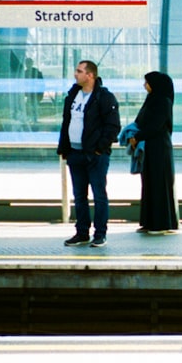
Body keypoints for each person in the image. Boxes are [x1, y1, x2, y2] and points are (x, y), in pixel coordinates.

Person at [57, 60, 121, 247]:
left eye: (79, 71)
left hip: (95, 155)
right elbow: (66, 122)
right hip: (75, 153)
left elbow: (113, 126)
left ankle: (100, 233)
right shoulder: (73, 95)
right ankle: (82, 232)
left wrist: (99, 148)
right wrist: (64, 148)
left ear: (90, 75)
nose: (75, 74)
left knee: (99, 194)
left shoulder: (104, 97)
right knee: (79, 195)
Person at [127, 71, 178, 234]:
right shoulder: (153, 100)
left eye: (147, 82)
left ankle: (161, 224)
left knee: (159, 184)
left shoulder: (163, 101)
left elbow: (156, 125)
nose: (144, 85)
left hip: (159, 148)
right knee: (149, 184)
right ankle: (149, 222)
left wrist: (138, 136)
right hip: (150, 147)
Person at [24, 57, 44, 125]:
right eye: (27, 63)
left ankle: (34, 119)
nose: (28, 65)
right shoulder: (26, 73)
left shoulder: (36, 72)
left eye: (29, 63)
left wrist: (41, 94)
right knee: (30, 106)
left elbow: (42, 84)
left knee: (33, 106)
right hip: (30, 94)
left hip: (34, 93)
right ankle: (32, 119)